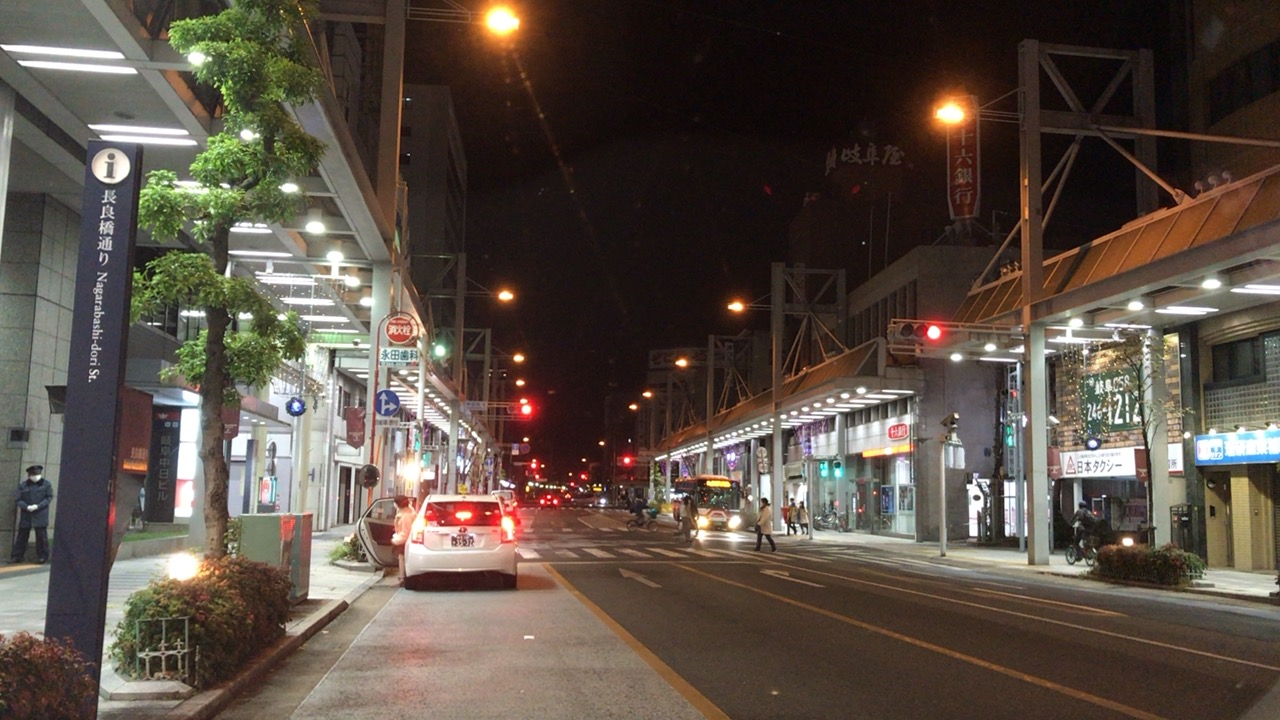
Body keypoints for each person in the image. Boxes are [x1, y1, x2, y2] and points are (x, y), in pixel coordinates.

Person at [10, 465, 53, 565]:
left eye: (37, 474)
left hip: (40, 514)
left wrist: (38, 506)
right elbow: (18, 499)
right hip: (27, 514)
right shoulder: (23, 485)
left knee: (41, 537)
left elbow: (49, 498)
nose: (35, 476)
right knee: (22, 536)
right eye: (33, 474)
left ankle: (43, 556)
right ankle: (17, 556)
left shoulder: (46, 484)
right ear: (29, 475)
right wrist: (26, 507)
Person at [391, 495, 415, 585]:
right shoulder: (406, 512)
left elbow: (406, 533)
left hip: (406, 542)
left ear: (397, 504)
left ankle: (403, 579)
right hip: (406, 541)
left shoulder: (406, 516)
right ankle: (402, 578)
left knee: (402, 558)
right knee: (402, 558)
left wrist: (394, 540)